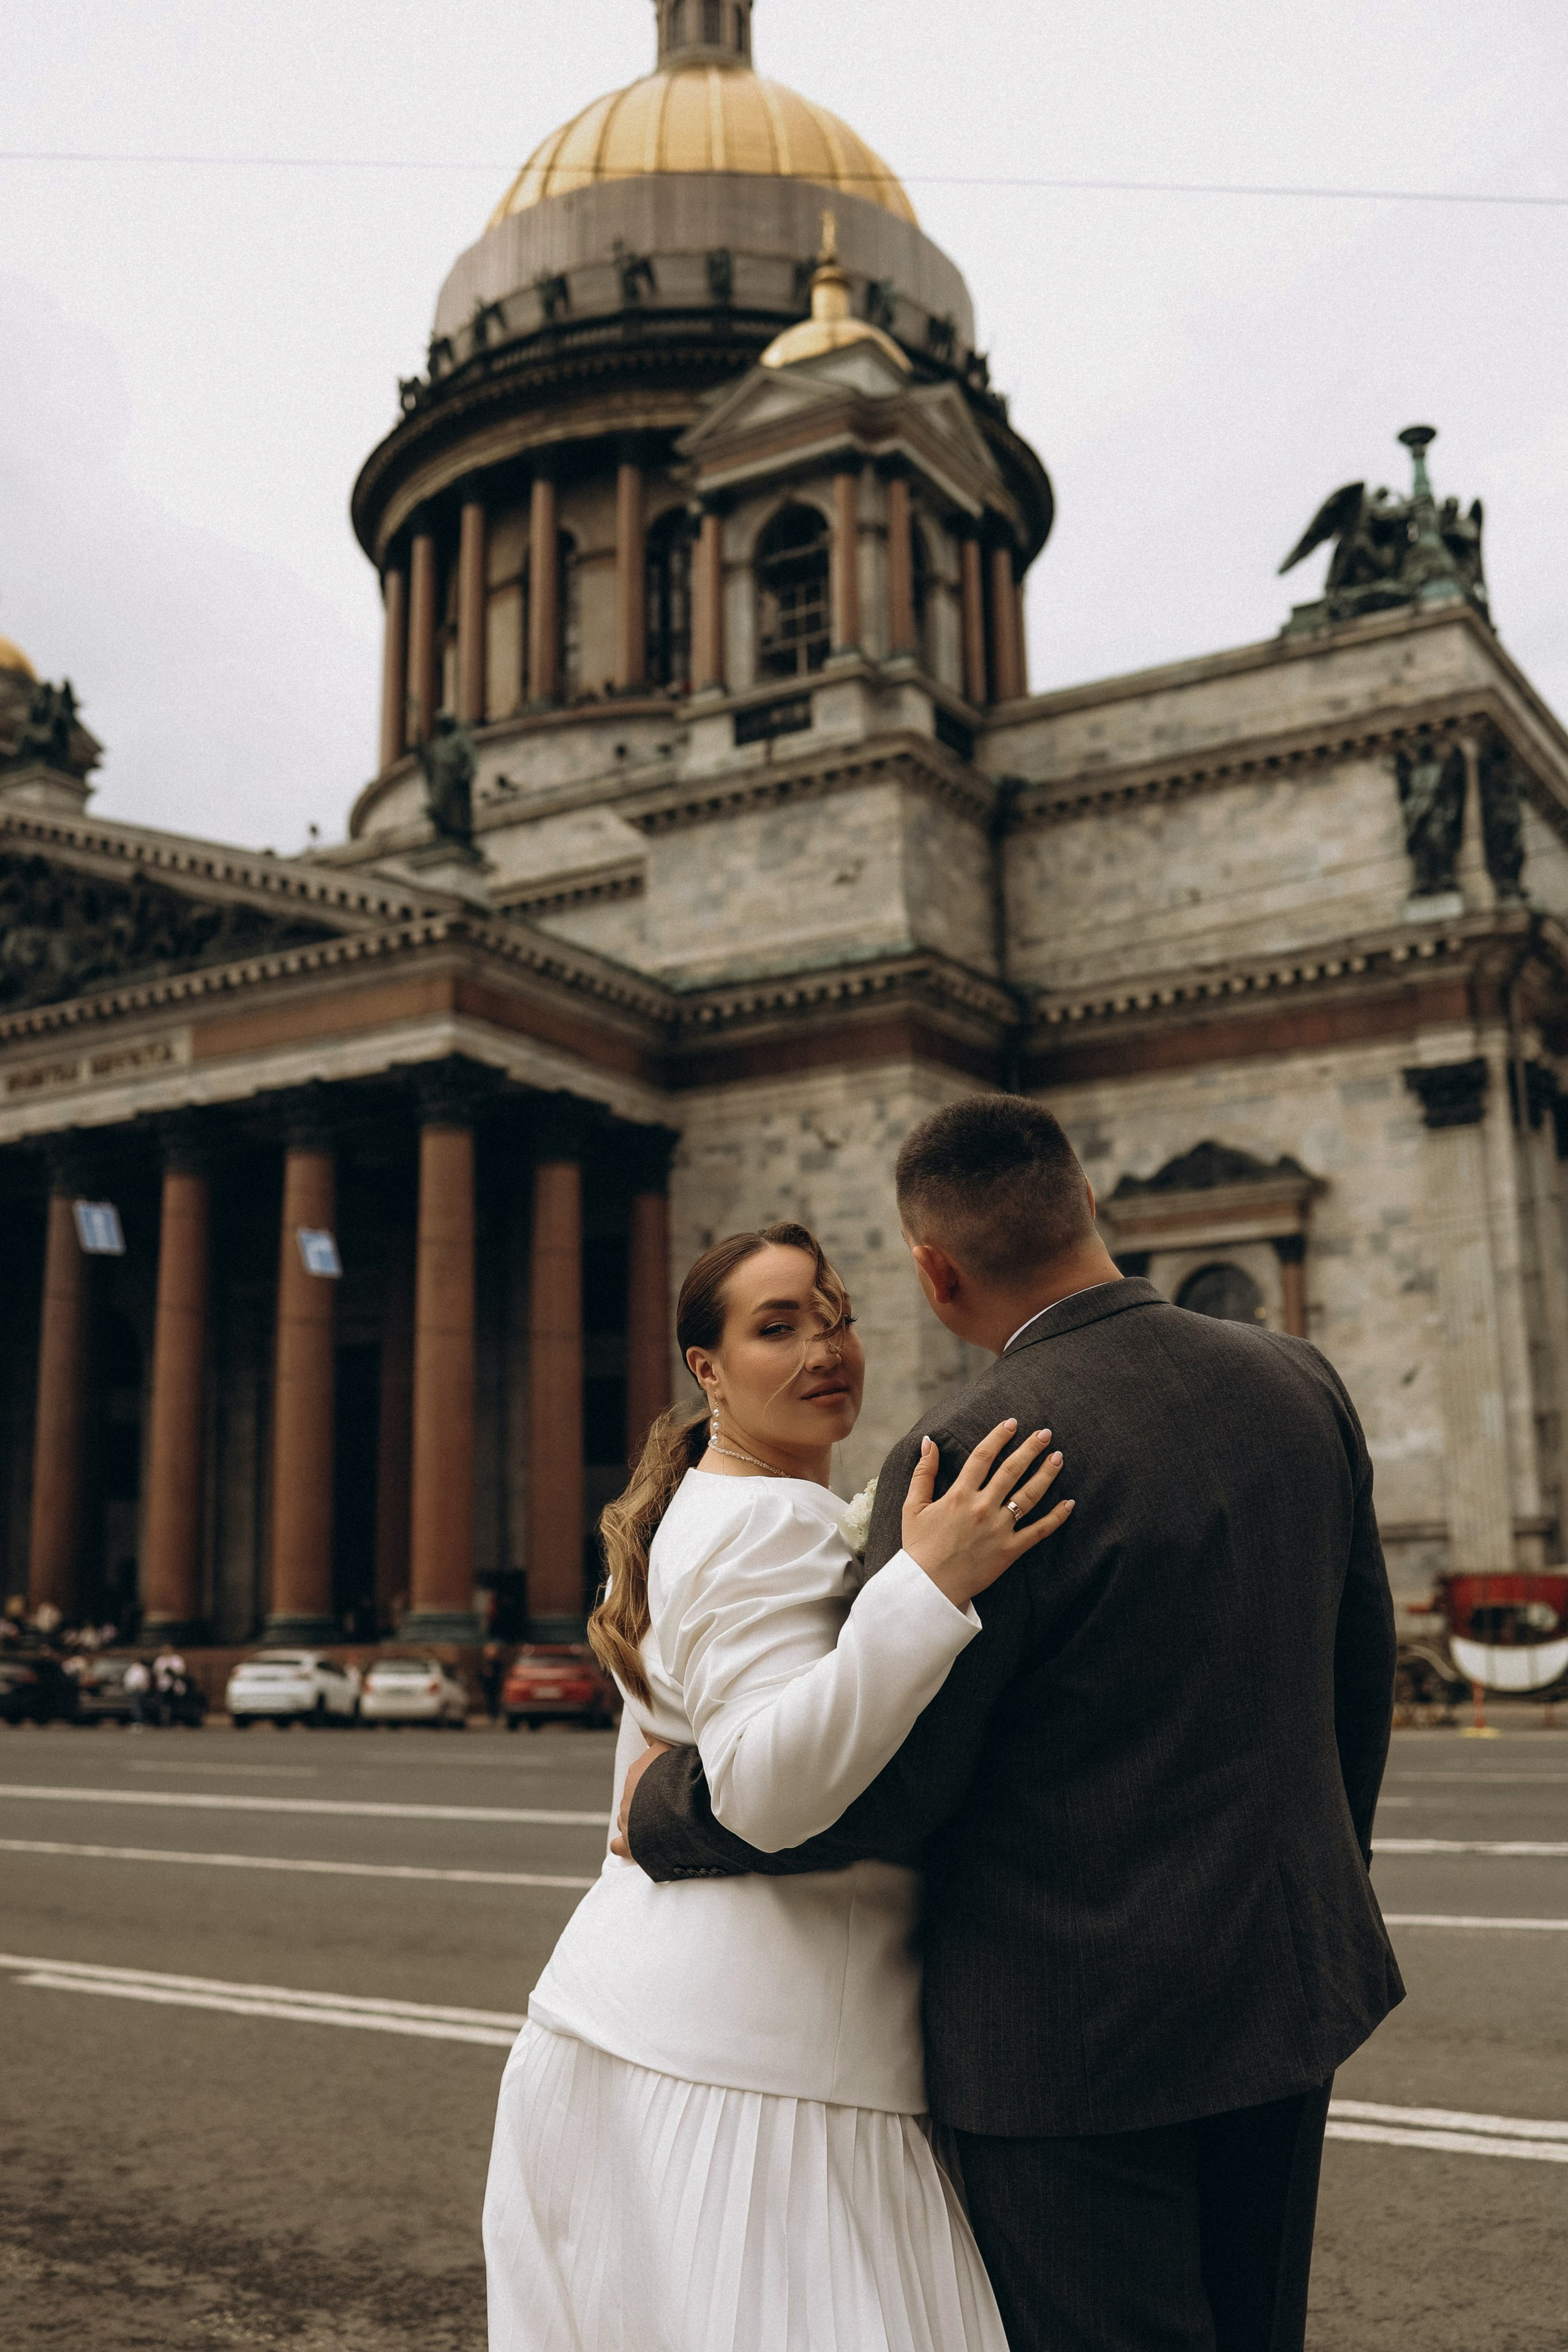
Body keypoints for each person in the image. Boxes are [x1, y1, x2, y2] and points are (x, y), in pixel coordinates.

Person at [625, 1097, 1404, 2352]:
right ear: (1085, 1200)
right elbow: (1356, 1678)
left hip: (1066, 2038)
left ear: (933, 1272)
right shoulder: (1296, 1377)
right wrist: (1312, 1894)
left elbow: (894, 1788)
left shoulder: (967, 1456)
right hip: (1286, 1985)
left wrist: (669, 1803)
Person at [483, 1220, 1074, 2351]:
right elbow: (762, 1792)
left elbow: (644, 1788)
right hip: (765, 2075)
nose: (824, 1349)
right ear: (706, 1370)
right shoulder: (770, 1520)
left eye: (835, 1318)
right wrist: (927, 1589)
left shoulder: (700, 1504)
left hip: (641, 2032)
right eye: (779, 1327)